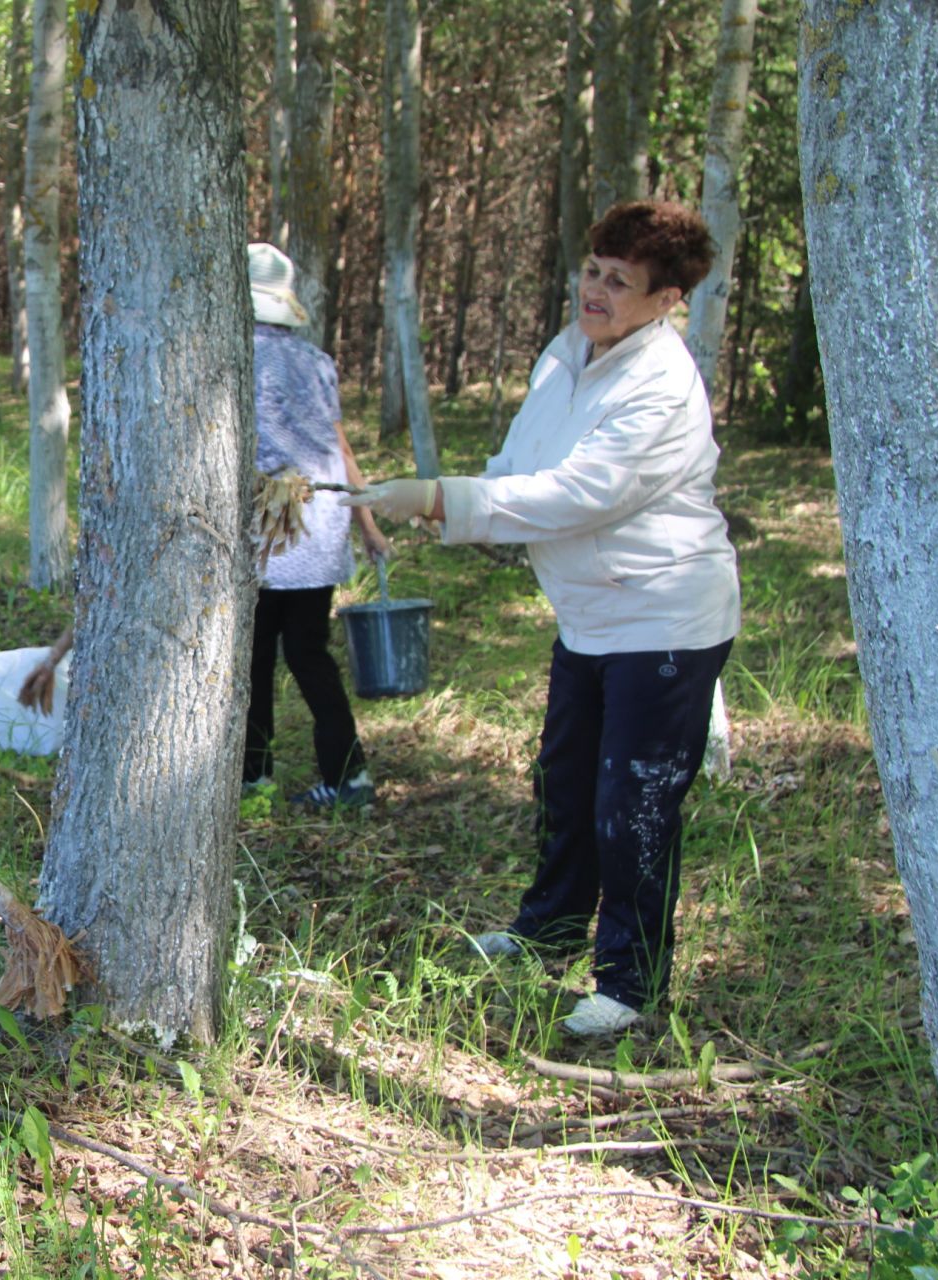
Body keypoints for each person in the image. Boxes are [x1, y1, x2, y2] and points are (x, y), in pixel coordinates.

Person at [347, 201, 739, 1037]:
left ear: (667, 299)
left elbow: (579, 495)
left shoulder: (662, 383)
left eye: (619, 282)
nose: (595, 291)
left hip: (664, 619)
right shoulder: (567, 353)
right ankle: (549, 932)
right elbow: (524, 465)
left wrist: (446, 498)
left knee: (632, 803)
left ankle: (630, 983)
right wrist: (454, 505)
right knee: (565, 784)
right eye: (592, 270)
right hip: (590, 620)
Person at [245, 242, 389, 810]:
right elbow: (342, 448)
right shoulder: (317, 361)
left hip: (268, 524)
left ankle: (254, 773)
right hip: (320, 520)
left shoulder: (231, 356)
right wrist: (367, 523)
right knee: (309, 652)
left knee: (253, 653)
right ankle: (349, 776)